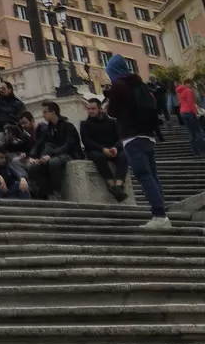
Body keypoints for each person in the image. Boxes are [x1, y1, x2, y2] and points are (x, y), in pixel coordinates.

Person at [105, 53, 171, 229]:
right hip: (148, 135)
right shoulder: (139, 83)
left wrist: (110, 97)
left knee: (144, 176)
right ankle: (161, 213)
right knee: (152, 175)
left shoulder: (119, 85)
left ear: (113, 71)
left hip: (132, 136)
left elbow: (112, 111)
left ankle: (159, 216)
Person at [27, 101, 83, 199]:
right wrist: (34, 157)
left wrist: (50, 155)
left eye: (45, 112)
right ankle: (49, 193)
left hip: (70, 154)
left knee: (53, 163)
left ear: (53, 112)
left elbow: (68, 145)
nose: (43, 114)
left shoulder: (67, 126)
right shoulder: (48, 129)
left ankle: (57, 190)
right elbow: (42, 144)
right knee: (33, 167)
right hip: (54, 155)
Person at [80, 97, 129, 201]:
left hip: (113, 149)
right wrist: (102, 149)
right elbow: (87, 141)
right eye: (89, 109)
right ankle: (112, 185)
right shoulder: (84, 124)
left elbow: (120, 138)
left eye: (93, 108)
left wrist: (115, 148)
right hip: (96, 151)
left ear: (99, 109)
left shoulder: (112, 122)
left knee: (123, 156)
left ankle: (118, 186)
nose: (90, 111)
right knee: (99, 157)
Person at [176, 81, 205, 157]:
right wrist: (196, 113)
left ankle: (194, 151)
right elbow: (191, 103)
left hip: (183, 113)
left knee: (190, 132)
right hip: (190, 112)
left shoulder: (180, 92)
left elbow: (180, 102)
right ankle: (202, 150)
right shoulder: (188, 91)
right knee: (197, 131)